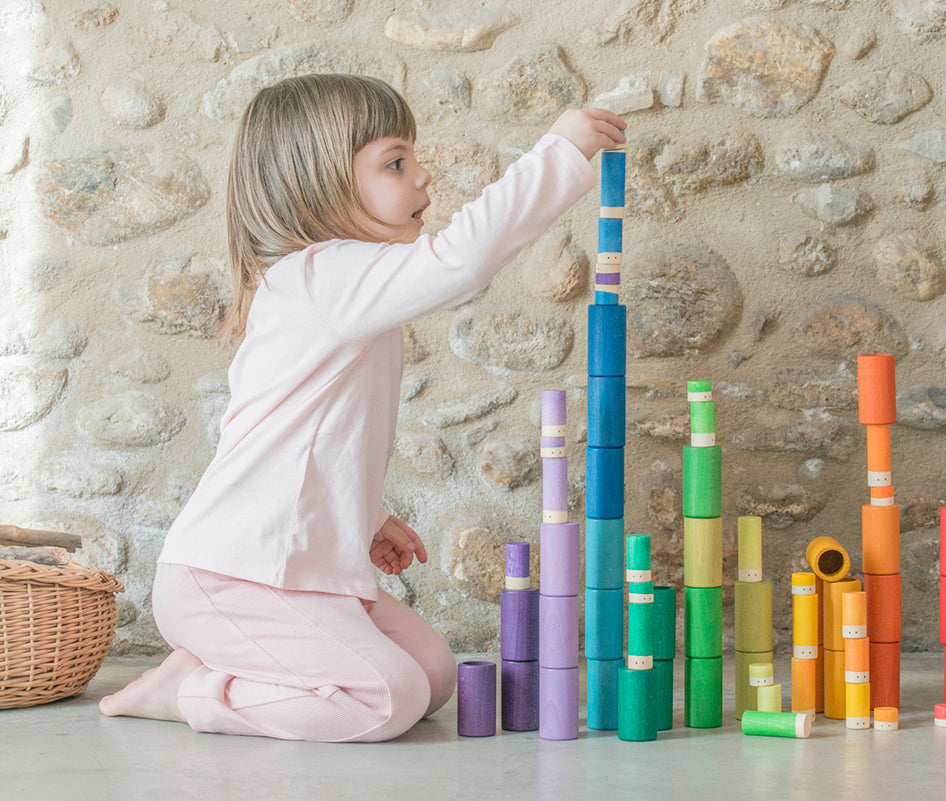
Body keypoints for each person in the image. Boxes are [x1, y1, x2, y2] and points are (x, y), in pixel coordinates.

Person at [98, 73, 626, 742]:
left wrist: (365, 515)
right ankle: (191, 689)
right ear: (320, 185)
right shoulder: (320, 277)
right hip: (234, 576)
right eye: (395, 162)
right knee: (385, 698)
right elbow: (460, 261)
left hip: (296, 573)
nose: (422, 175)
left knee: (431, 674)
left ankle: (226, 668)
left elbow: (299, 437)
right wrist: (559, 151)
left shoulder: (338, 287)